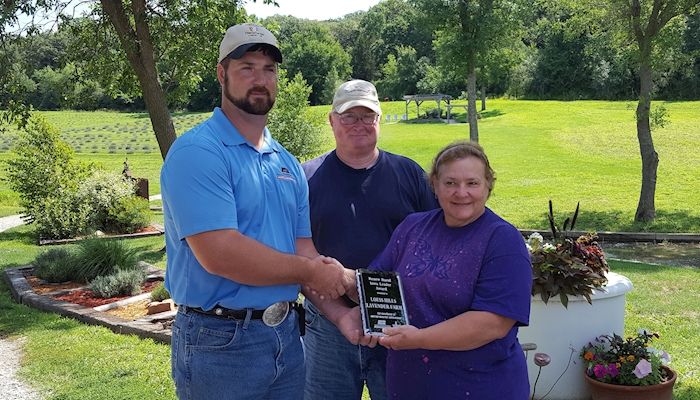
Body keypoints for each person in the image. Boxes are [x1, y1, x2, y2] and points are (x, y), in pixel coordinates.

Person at [160, 23, 348, 400]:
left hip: (285, 337)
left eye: (269, 69)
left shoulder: (287, 162)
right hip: (219, 343)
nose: (259, 79)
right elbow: (220, 254)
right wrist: (310, 271)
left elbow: (303, 248)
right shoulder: (199, 153)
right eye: (247, 67)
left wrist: (343, 315)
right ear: (221, 74)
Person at [302, 79, 438, 400]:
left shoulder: (410, 175)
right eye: (349, 116)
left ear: (379, 119)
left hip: (400, 327)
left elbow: (437, 251)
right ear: (332, 120)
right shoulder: (305, 179)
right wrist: (339, 313)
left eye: (367, 116)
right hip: (327, 328)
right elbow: (297, 260)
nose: (358, 124)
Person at [368, 141, 532, 399]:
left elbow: (492, 324)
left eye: (472, 183)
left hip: (479, 387)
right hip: (409, 385)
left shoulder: (503, 241)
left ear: (488, 186)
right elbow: (377, 282)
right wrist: (341, 280)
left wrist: (419, 339)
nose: (461, 192)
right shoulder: (413, 227)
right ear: (434, 184)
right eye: (450, 183)